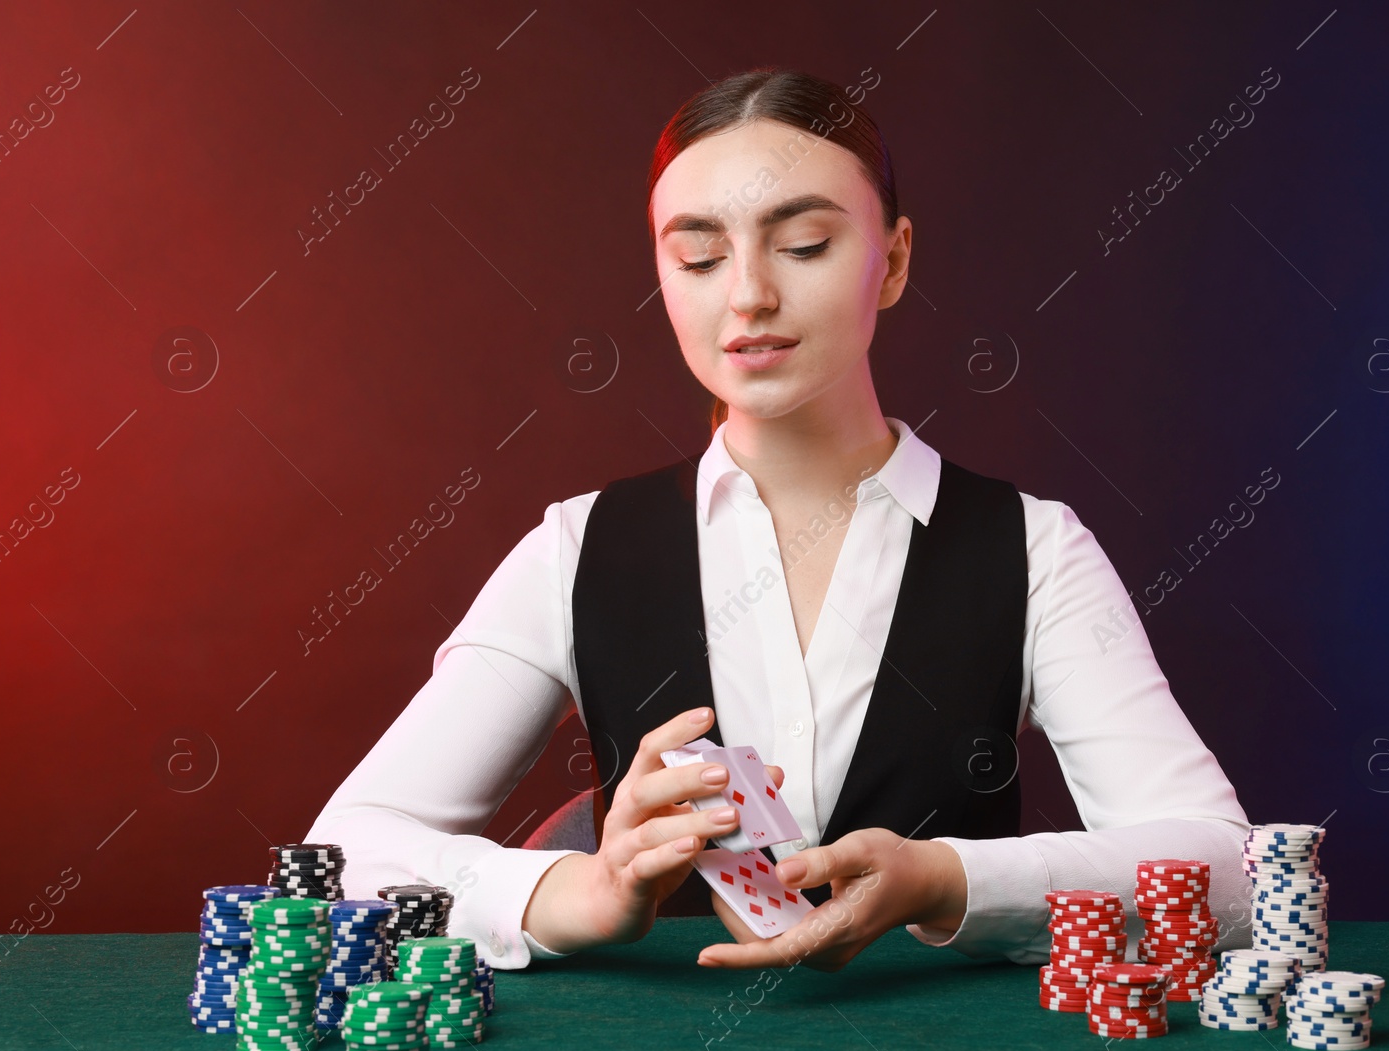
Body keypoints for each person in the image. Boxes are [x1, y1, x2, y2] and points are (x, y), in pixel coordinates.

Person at [305, 67, 1251, 973]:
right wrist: (581, 891)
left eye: (803, 245)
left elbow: (1231, 870)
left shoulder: (1035, 548)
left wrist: (946, 879)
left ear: (894, 261)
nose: (749, 294)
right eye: (700, 256)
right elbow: (345, 854)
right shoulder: (575, 548)